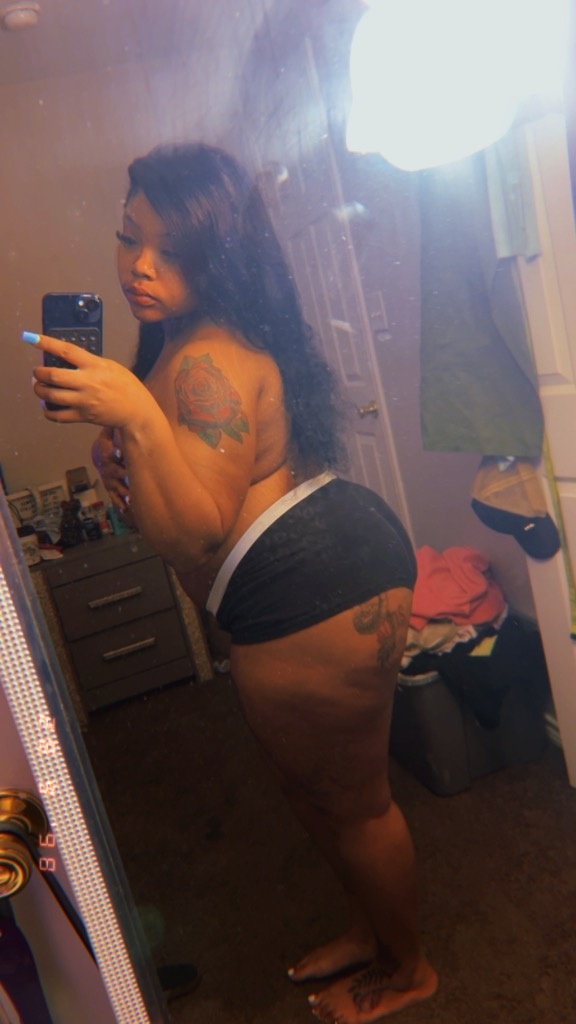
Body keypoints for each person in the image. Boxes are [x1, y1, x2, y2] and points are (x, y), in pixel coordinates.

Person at [27, 142, 437, 1023]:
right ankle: (371, 929)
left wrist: (136, 418)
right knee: (311, 792)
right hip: (298, 580)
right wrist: (124, 445)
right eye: (129, 237)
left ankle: (410, 972)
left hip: (315, 591)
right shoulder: (183, 344)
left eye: (172, 251)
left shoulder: (205, 359)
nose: (140, 266)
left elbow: (199, 530)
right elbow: (179, 498)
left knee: (357, 806)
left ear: (220, 257)